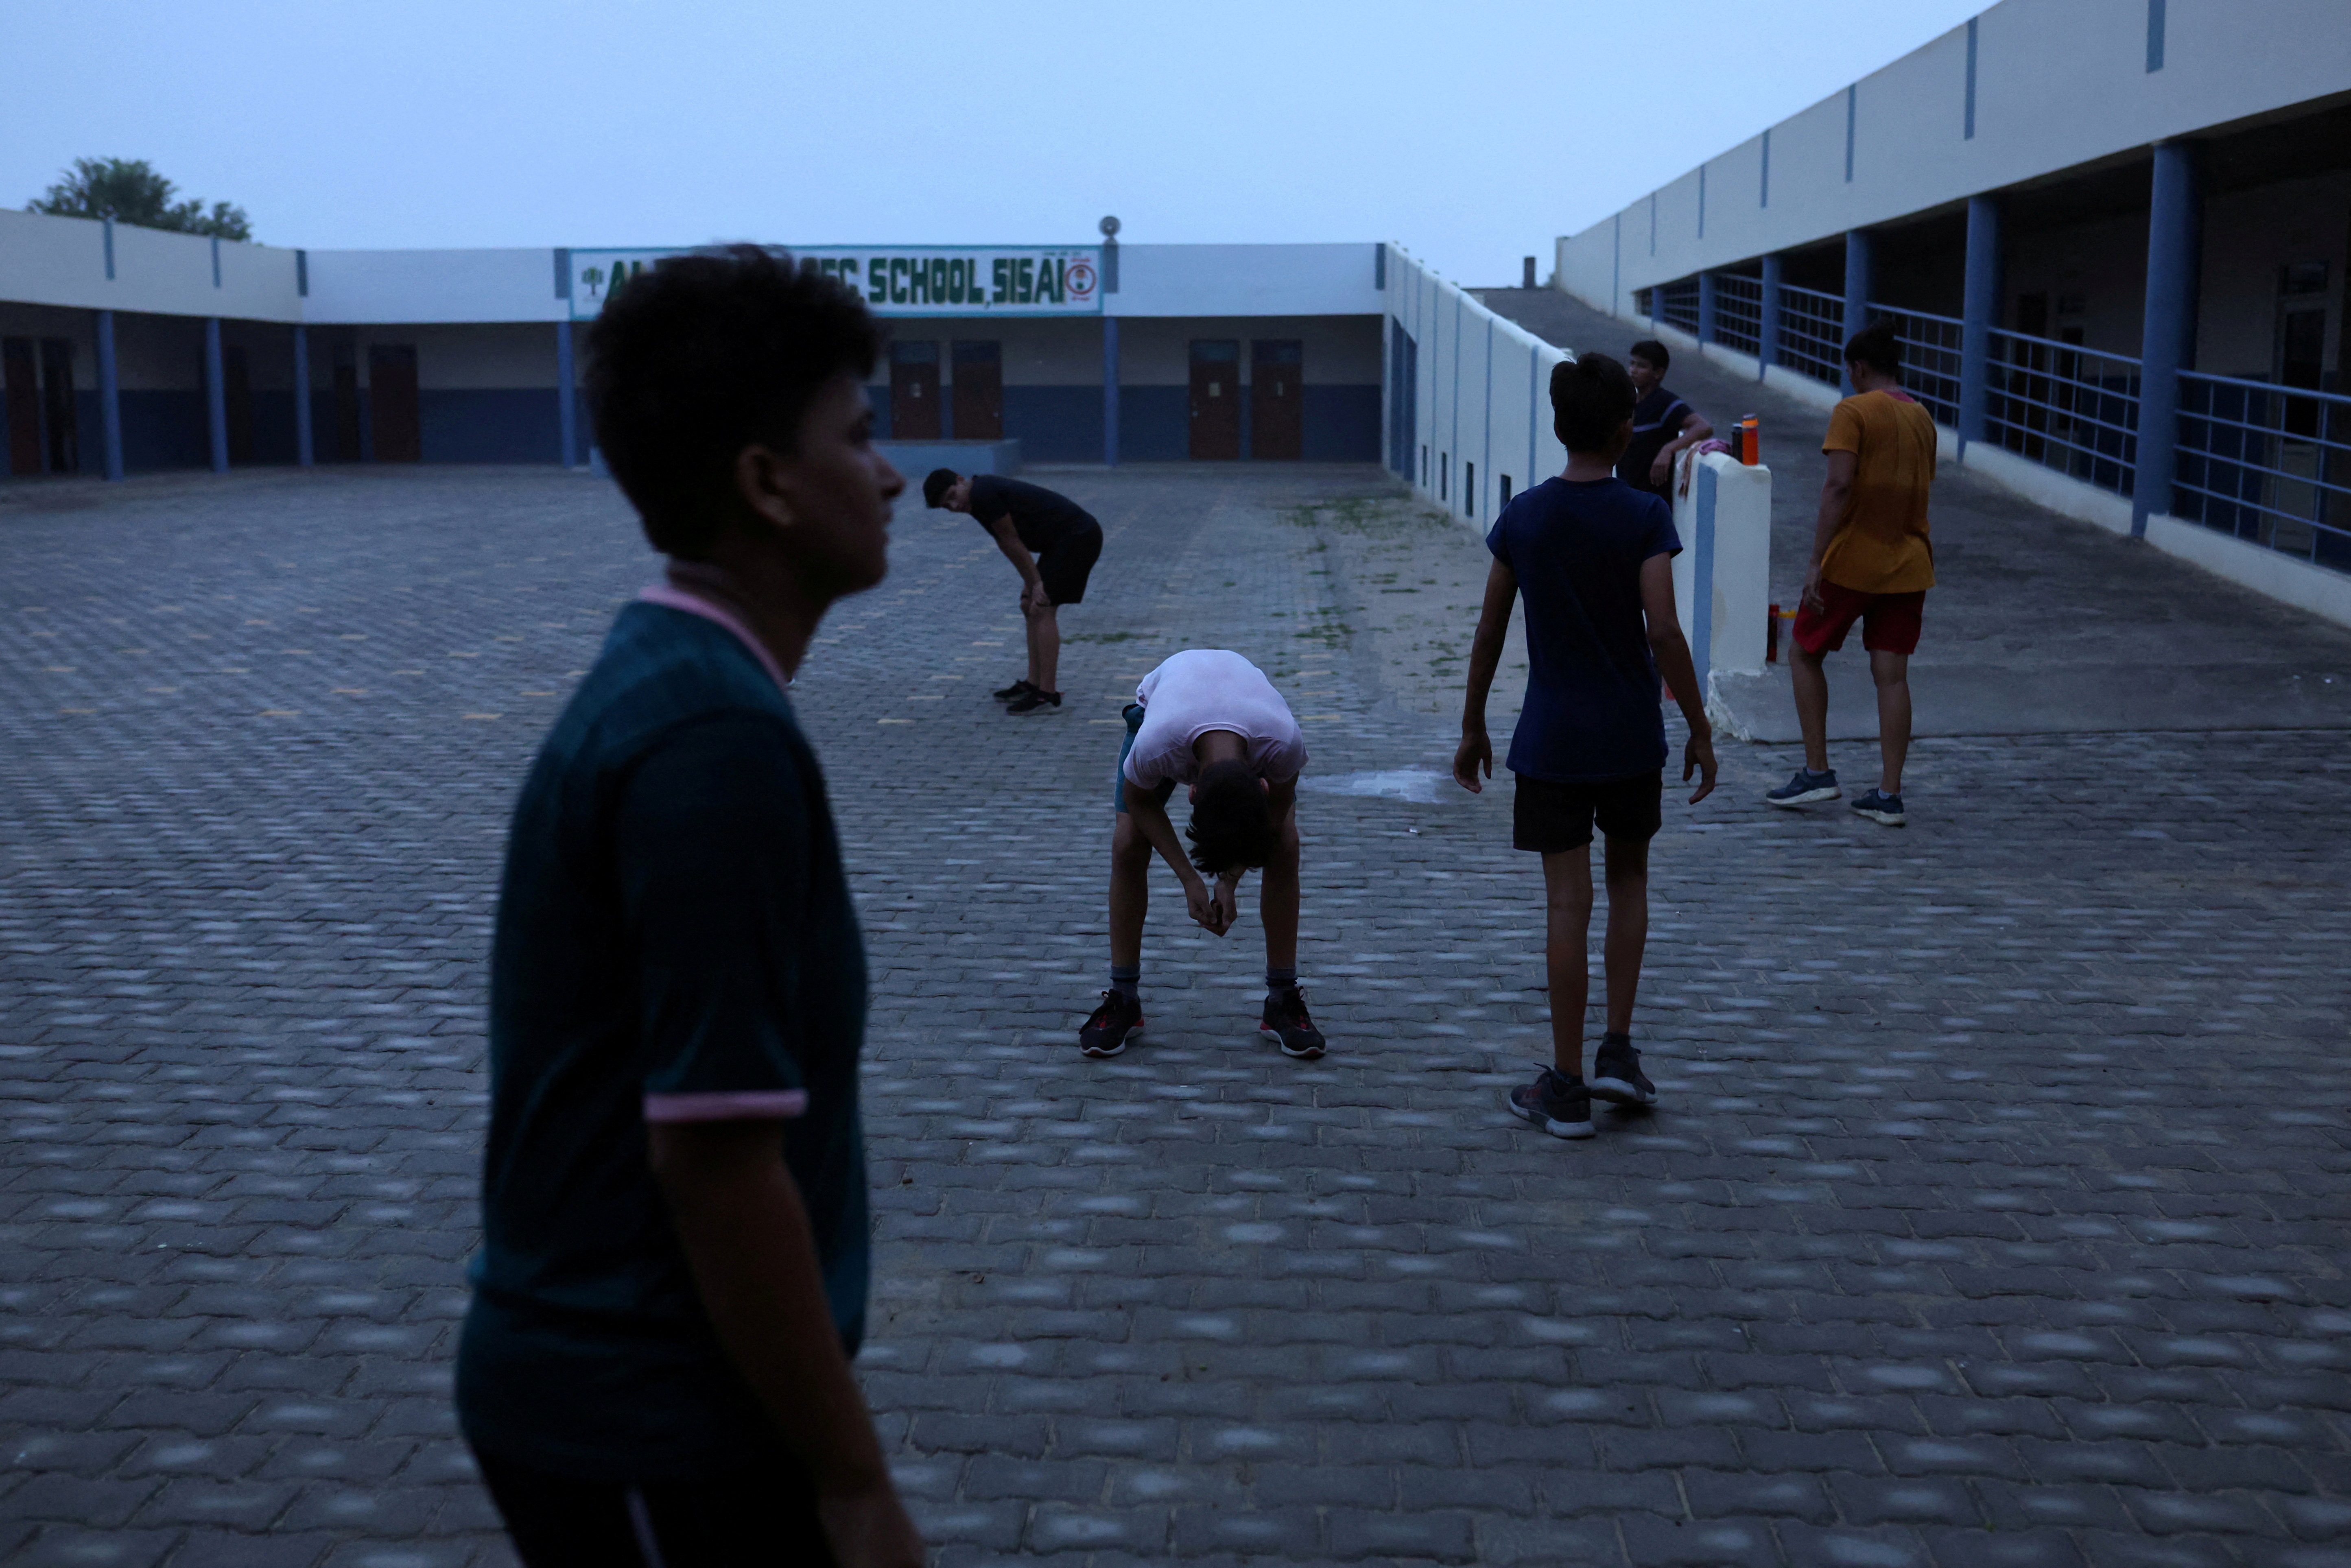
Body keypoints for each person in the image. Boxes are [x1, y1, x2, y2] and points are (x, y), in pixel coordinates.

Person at [457, 246, 922, 1568]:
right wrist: (853, 1485)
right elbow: (715, 1162)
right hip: (648, 1417)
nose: (888, 473)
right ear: (765, 482)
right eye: (860, 434)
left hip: (657, 1399)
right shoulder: (707, 739)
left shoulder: (679, 675)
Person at [1455, 351, 1718, 1141]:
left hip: (1552, 740)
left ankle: (1564, 1085)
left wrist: (1473, 725)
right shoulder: (1642, 515)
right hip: (1632, 735)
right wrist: (1699, 729)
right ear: (1625, 426)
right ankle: (1619, 1054)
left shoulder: (1524, 518)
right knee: (1629, 882)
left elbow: (1491, 630)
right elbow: (1664, 630)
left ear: (1558, 424)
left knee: (1567, 903)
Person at [1079, 648, 1325, 1061]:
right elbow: (1141, 802)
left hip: (1246, 713)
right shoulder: (1156, 744)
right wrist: (1190, 878)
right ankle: (1123, 997)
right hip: (1161, 708)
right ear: (1191, 791)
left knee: (1285, 844)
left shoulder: (1281, 744)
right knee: (1127, 845)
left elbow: (1278, 812)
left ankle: (1282, 999)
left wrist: (1229, 879)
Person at [1765, 322, 1937, 828]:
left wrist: (1816, 560)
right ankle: (1889, 793)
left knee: (1803, 651)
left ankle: (1818, 771)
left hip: (1855, 560)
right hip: (1910, 563)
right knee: (1892, 677)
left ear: (1858, 368)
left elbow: (1838, 485)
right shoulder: (1922, 416)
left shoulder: (1853, 410)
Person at [922, 469, 1103, 713]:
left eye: (953, 496)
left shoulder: (983, 493)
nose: (955, 505)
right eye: (948, 506)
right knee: (1029, 606)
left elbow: (1012, 541)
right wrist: (1031, 584)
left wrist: (1037, 585)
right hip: (1059, 542)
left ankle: (1047, 695)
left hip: (1078, 537)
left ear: (960, 480)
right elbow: (1006, 544)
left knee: (1042, 609)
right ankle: (1033, 683)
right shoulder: (976, 499)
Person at [1618, 338, 1714, 499]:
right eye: (1632, 364)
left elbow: (1703, 427)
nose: (1633, 370)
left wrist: (1668, 449)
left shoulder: (1664, 402)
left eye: (1641, 366)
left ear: (1658, 373)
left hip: (1650, 500)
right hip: (1628, 494)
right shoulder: (1630, 402)